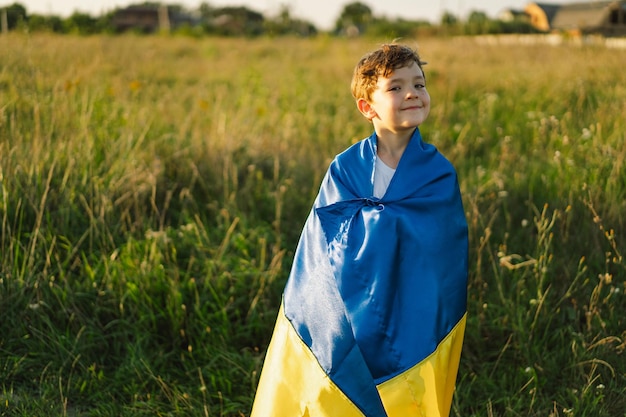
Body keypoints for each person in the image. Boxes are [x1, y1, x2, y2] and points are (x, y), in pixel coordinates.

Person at [251, 43, 468, 417]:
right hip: (346, 303)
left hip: (410, 304)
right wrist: (383, 221)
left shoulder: (438, 172)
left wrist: (383, 220)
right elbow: (324, 239)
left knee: (406, 389)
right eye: (395, 88)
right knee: (343, 384)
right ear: (367, 107)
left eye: (419, 84)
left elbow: (441, 246)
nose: (412, 93)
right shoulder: (346, 167)